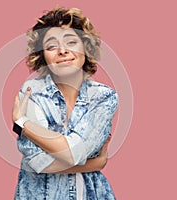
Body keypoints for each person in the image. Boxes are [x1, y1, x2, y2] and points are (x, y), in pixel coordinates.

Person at [12, 7, 118, 199]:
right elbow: (37, 162)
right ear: (42, 55)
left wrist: (23, 124)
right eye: (51, 46)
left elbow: (75, 153)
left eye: (71, 42)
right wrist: (95, 164)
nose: (63, 51)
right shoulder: (32, 92)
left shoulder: (104, 97)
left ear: (85, 47)